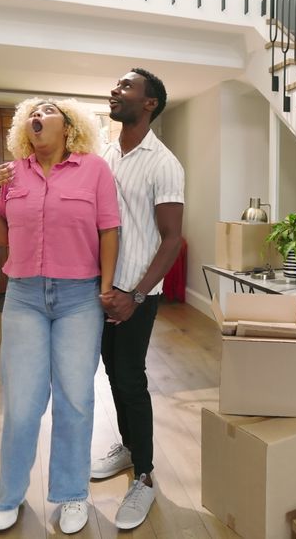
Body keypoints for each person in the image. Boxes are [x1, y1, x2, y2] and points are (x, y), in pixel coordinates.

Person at [0, 98, 120, 534]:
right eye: (31, 113)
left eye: (49, 110)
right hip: (24, 296)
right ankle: (9, 495)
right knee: (21, 402)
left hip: (78, 298)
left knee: (75, 398)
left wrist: (106, 287)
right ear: (24, 127)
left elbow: (108, 229)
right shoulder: (13, 173)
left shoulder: (94, 169)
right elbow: (3, 235)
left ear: (69, 125)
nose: (38, 116)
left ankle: (72, 494)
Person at [91, 68, 184, 530]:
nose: (116, 90)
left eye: (126, 86)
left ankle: (144, 475)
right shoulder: (107, 153)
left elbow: (171, 239)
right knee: (112, 374)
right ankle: (129, 446)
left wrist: (137, 293)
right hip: (102, 290)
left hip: (136, 294)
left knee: (129, 377)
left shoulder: (163, 163)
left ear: (149, 104)